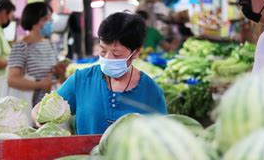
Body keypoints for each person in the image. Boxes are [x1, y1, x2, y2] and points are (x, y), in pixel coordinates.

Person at [35, 12, 167, 135]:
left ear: (136, 52)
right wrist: (39, 115)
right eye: (103, 51)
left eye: (116, 54)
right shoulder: (82, 80)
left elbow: (162, 136)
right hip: (87, 159)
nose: (108, 58)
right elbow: (41, 109)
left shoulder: (151, 91)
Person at [7, 2, 66, 106]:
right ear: (34, 21)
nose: (51, 22)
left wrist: (60, 72)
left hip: (53, 105)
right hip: (33, 108)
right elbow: (12, 79)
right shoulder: (21, 47)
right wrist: (40, 85)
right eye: (46, 19)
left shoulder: (50, 45)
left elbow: (58, 77)